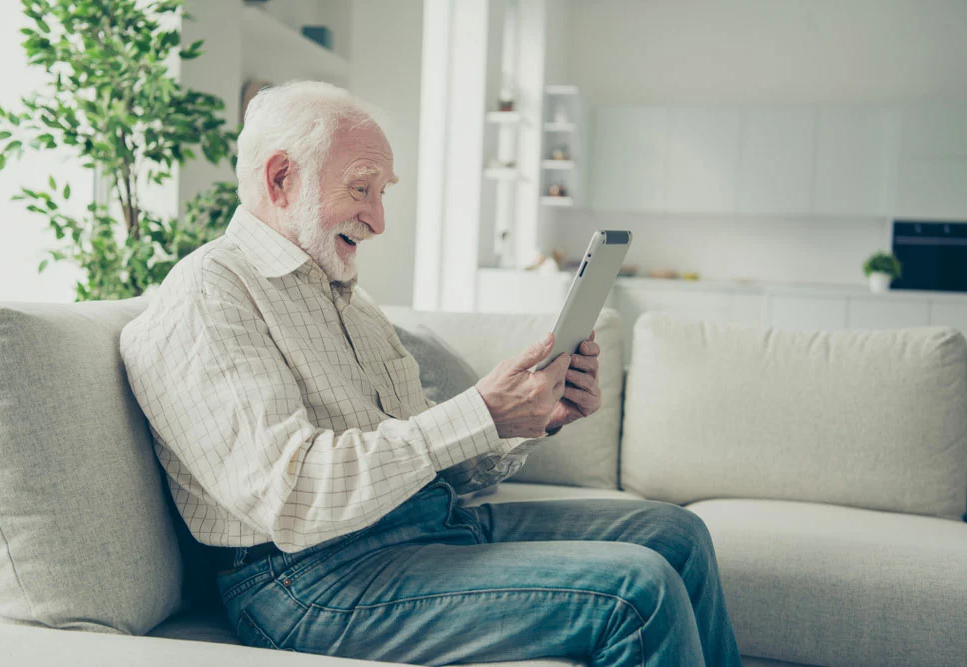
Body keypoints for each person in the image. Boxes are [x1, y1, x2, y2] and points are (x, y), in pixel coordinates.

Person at [119, 81, 742, 667]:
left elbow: (429, 461)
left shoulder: (349, 300)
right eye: (362, 189)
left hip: (423, 525)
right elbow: (293, 499)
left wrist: (527, 420)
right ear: (281, 178)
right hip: (307, 579)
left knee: (675, 534)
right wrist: (479, 411)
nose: (379, 219)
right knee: (636, 590)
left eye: (382, 192)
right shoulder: (210, 295)